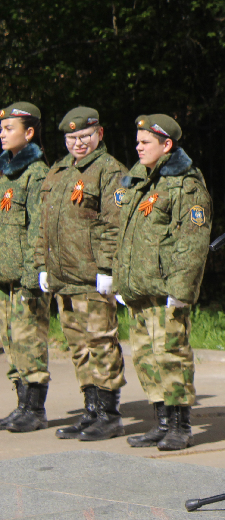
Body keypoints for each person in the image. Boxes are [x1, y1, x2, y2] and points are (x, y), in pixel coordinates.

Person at [112, 114, 211, 451]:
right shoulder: (137, 181)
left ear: (167, 145)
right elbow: (124, 234)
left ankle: (181, 425)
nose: (138, 146)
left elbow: (192, 241)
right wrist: (120, 280)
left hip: (166, 291)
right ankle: (161, 422)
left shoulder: (185, 184)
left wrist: (181, 291)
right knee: (144, 356)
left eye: (146, 142)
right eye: (137, 141)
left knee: (171, 353)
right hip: (139, 289)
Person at [36, 106, 129, 441]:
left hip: (92, 277)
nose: (78, 143)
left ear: (99, 134)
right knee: (77, 346)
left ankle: (110, 413)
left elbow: (114, 225)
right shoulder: (58, 171)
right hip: (64, 277)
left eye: (85, 136)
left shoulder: (110, 171)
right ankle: (90, 410)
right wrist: (41, 265)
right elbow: (44, 224)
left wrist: (107, 268)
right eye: (72, 137)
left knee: (101, 342)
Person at [0, 102, 51, 433]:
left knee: (29, 338)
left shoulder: (36, 174)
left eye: (8, 129)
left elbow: (39, 228)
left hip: (25, 275)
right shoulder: (5, 172)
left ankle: (35, 409)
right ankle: (21, 405)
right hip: (5, 275)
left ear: (29, 133)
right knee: (11, 340)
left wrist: (35, 274)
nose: (2, 134)